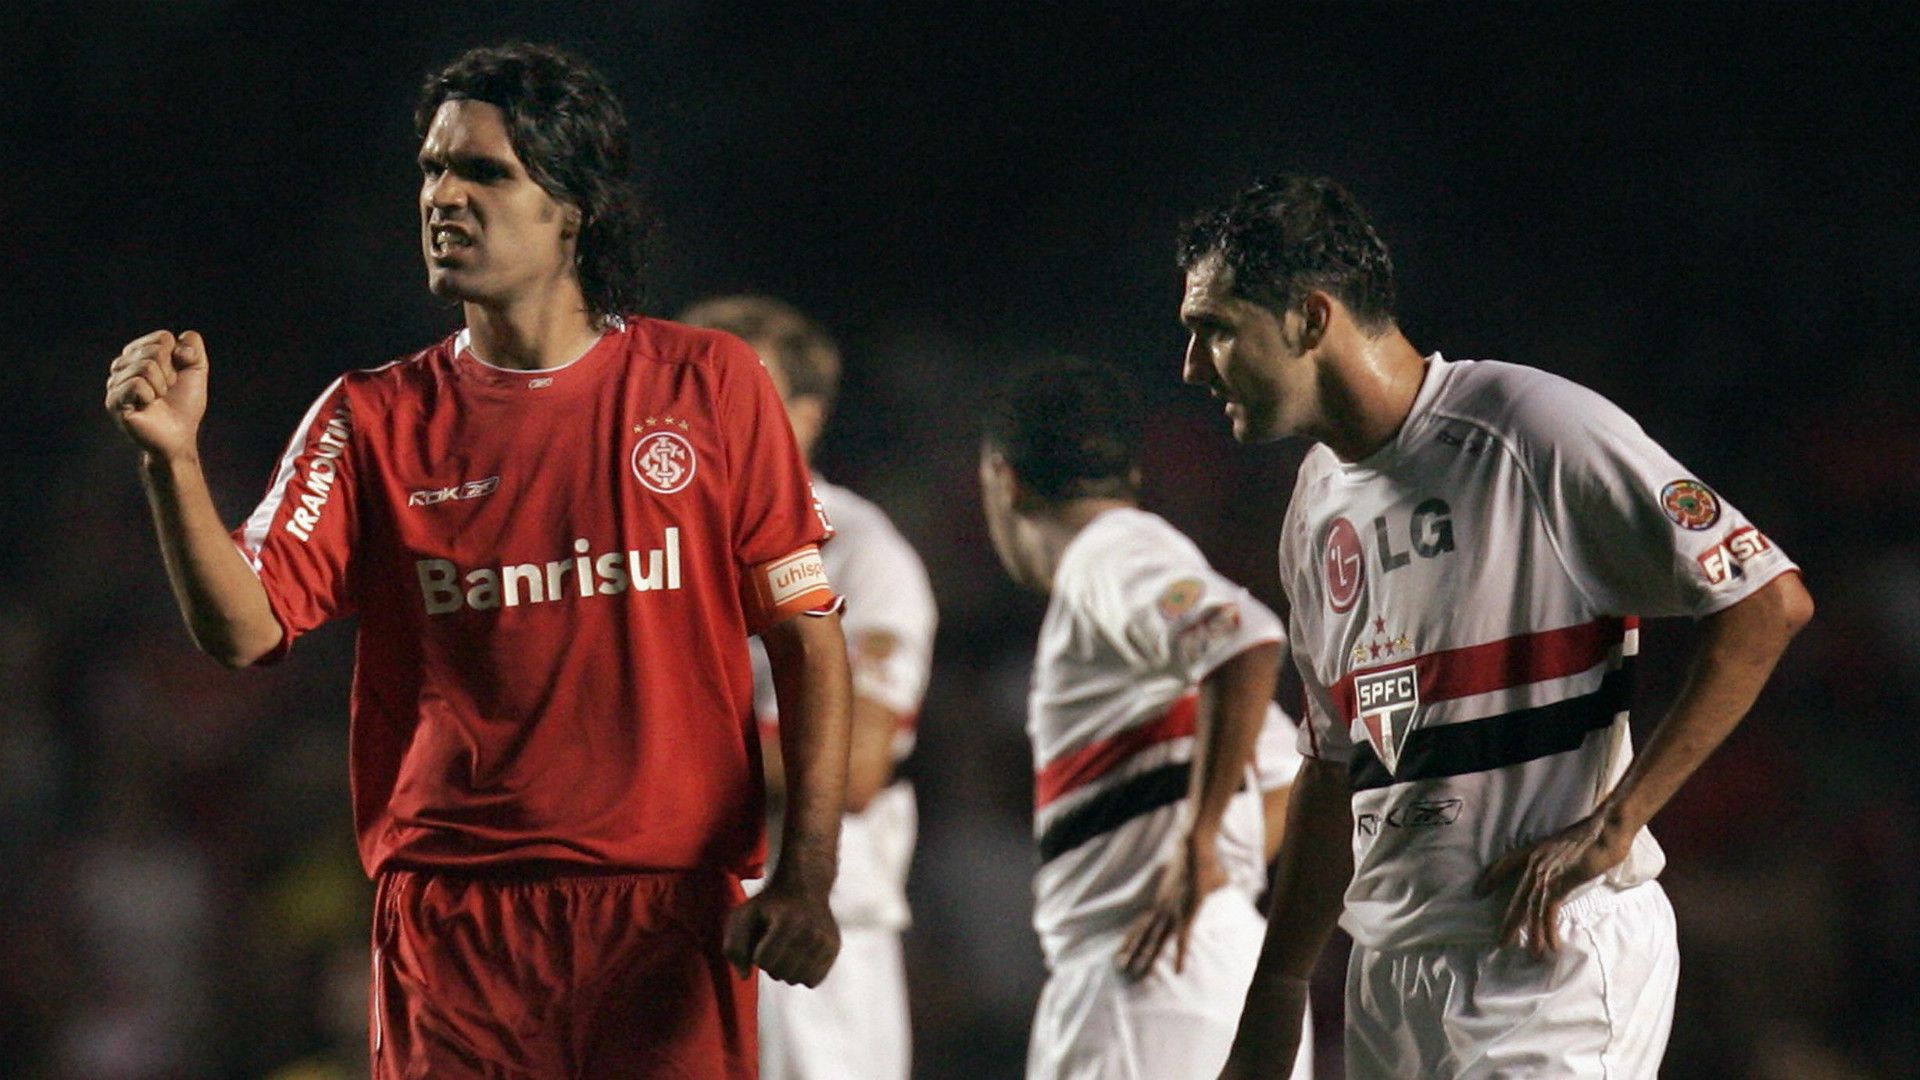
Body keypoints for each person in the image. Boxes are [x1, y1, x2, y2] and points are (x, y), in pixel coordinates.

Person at [102, 43, 852, 1079]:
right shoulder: (370, 417)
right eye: (430, 170)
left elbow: (809, 644)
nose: (442, 197)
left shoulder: (709, 384)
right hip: (458, 926)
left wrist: (808, 874)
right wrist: (172, 463)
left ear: (572, 207)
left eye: (484, 173)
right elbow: (242, 627)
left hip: (665, 913)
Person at [1175, 175, 1815, 1079]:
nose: (1193, 367)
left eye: (1214, 329)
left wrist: (1615, 822)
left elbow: (1765, 599)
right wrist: (1279, 983)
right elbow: (1332, 764)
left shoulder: (1530, 429)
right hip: (1392, 981)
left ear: (1310, 319)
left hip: (1545, 956)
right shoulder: (1317, 503)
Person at [980, 358, 1314, 1080]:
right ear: (1127, 472)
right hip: (1197, 960)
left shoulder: (1109, 552)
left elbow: (1246, 642)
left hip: (1144, 976)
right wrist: (1212, 867)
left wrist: (1197, 846)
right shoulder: (1129, 608)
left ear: (1003, 479)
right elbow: (1288, 781)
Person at [680, 295, 938, 1080]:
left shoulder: (858, 547)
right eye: (694, 388)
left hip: (805, 936)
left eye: (741, 388)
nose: (711, 412)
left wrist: (646, 751)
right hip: (662, 923)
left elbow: (855, 760)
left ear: (807, 414)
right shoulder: (644, 545)